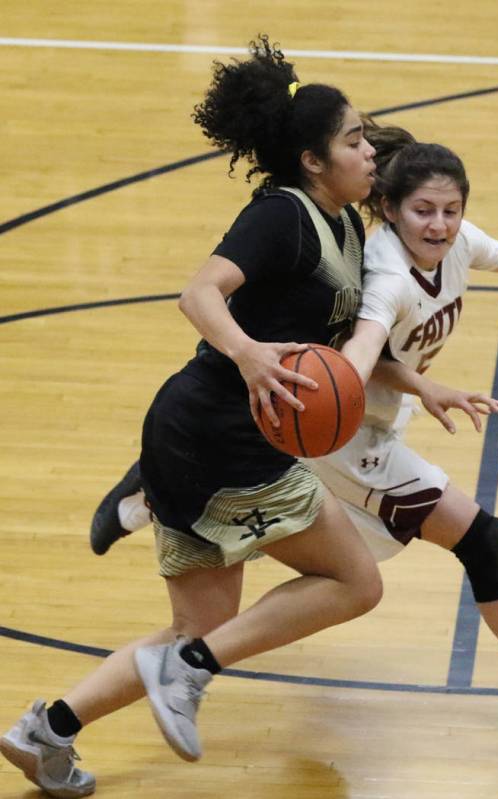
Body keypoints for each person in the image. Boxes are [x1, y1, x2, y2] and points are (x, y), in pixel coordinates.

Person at [86, 117, 498, 746]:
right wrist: (399, 383)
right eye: (424, 211)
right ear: (392, 211)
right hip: (345, 439)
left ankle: (161, 495)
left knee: (332, 555)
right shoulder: (388, 275)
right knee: (481, 539)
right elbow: (357, 353)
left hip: (376, 426)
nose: (440, 224)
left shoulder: (454, 243)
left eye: (451, 211)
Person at [0, 35, 407, 798]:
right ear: (313, 160)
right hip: (226, 439)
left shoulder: (348, 223)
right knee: (355, 582)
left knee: (196, 630)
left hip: (191, 434)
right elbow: (198, 294)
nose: (369, 150)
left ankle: (45, 730)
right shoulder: (283, 216)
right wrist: (251, 354)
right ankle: (188, 669)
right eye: (354, 139)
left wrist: (419, 384)